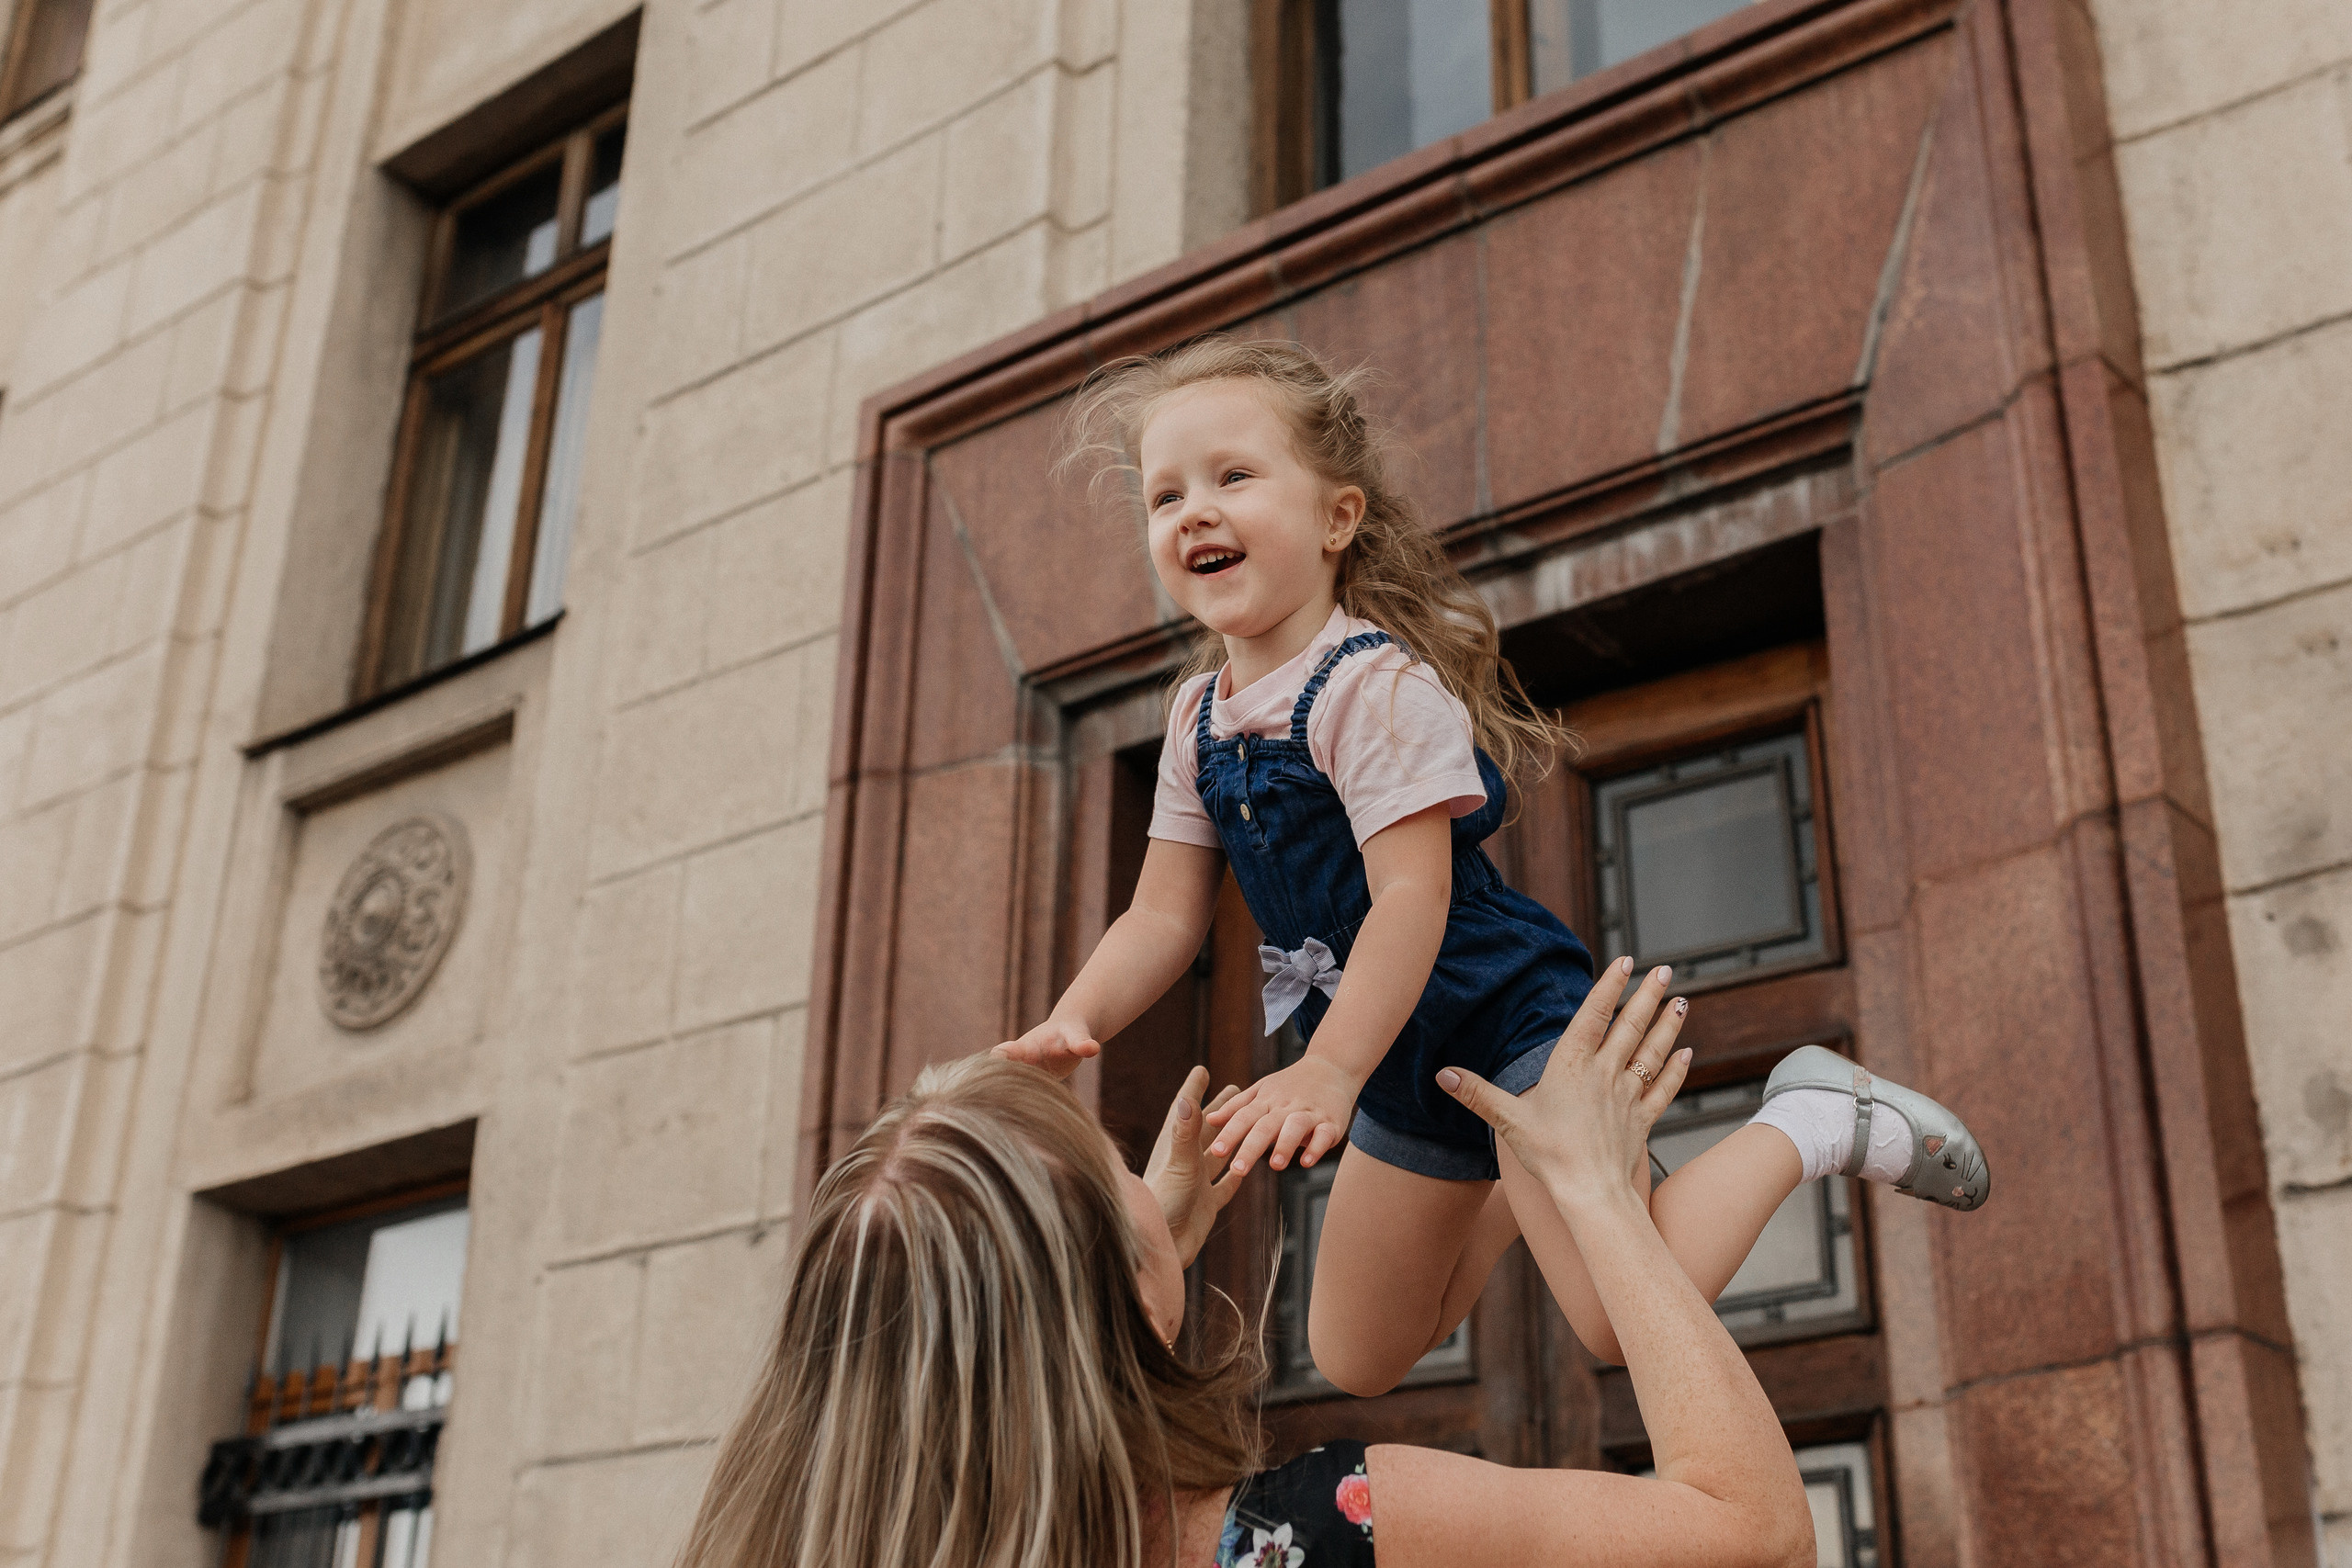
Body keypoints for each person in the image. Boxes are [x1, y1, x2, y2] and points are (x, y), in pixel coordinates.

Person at [998, 336, 1988, 1384]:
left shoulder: (1368, 690)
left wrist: (1330, 1069)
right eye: (1164, 495)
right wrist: (1079, 1020)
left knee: (1619, 1319)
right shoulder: (1196, 716)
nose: (1193, 509)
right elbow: (1162, 916)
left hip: (1509, 1018)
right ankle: (1527, 1180)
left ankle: (1814, 1118)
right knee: (1359, 1353)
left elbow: (1412, 897)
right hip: (1400, 1052)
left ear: (1339, 517)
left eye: (1233, 477)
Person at [675, 962, 1818, 1568]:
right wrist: (1592, 1189)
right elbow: (1750, 1541)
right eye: (1113, 1161)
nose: (1147, 1171)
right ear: (1112, 1295)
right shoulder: (1307, 1538)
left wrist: (1137, 1271)